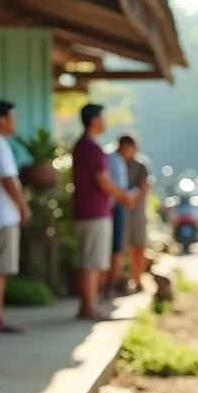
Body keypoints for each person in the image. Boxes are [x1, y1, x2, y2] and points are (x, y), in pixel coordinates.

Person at [70, 104, 135, 321]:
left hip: (87, 210)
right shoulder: (92, 147)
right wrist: (124, 196)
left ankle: (88, 305)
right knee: (92, 261)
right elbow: (104, 182)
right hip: (94, 212)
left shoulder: (83, 145)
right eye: (103, 117)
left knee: (88, 259)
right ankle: (89, 307)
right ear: (94, 120)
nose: (105, 122)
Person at [0, 100, 30, 333]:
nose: (15, 122)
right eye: (12, 117)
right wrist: (23, 206)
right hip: (0, 215)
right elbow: (8, 179)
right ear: (1, 119)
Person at [119, 136, 152, 293]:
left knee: (139, 245)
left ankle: (138, 278)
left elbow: (145, 186)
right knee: (122, 246)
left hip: (137, 210)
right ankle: (122, 280)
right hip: (121, 207)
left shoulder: (141, 165)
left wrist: (134, 200)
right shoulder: (117, 163)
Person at [104, 140, 130, 299]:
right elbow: (115, 186)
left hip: (117, 206)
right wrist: (126, 197)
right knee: (114, 249)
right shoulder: (113, 159)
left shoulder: (117, 160)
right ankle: (108, 287)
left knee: (116, 248)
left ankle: (109, 287)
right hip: (115, 207)